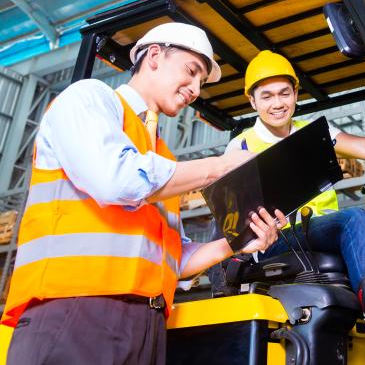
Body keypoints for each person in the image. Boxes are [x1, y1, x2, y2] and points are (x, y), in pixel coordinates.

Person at [1, 24, 286, 365]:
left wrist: (238, 242)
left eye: (201, 82)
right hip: (76, 310)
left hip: (147, 322)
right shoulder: (89, 99)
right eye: (191, 71)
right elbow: (115, 180)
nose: (196, 89)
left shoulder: (162, 159)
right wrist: (220, 167)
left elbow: (174, 259)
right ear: (153, 56)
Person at [224, 50, 365, 365]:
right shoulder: (242, 146)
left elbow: (363, 145)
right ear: (253, 101)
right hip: (279, 239)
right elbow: (235, 212)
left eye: (284, 93)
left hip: (325, 230)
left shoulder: (314, 131)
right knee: (355, 218)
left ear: (295, 93)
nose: (277, 103)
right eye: (267, 96)